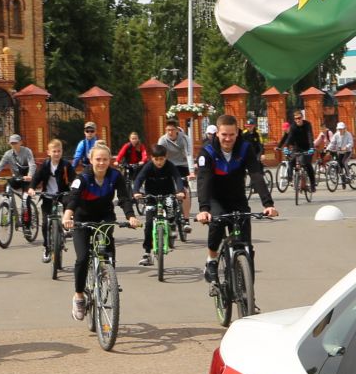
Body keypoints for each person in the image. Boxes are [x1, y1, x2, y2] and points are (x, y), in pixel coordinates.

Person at [60, 142, 139, 320]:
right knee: (82, 257)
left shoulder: (115, 176)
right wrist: (67, 217)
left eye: (105, 159)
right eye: (98, 159)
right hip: (82, 219)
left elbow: (124, 197)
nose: (101, 163)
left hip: (104, 216)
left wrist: (130, 216)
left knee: (107, 246)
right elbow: (73, 198)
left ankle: (109, 273)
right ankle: (79, 296)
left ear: (109, 160)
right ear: (91, 160)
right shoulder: (83, 177)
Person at [195, 114, 277, 286]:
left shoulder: (245, 148)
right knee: (217, 223)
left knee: (246, 244)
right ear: (217, 133)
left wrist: (268, 204)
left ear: (237, 132)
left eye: (232, 134)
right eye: (224, 134)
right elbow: (204, 180)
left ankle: (248, 294)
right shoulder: (208, 151)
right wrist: (204, 209)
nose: (228, 139)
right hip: (215, 197)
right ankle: (211, 259)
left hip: (237, 198)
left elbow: (256, 175)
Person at [131, 144, 188, 265]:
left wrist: (180, 191)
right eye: (156, 159)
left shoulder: (170, 166)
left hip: (168, 194)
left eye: (161, 159)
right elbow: (139, 179)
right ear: (152, 158)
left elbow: (177, 178)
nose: (159, 162)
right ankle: (147, 253)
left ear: (166, 157)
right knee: (149, 224)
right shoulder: (148, 167)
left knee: (171, 209)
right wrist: (136, 192)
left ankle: (172, 225)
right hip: (151, 197)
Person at [32, 138, 75, 261]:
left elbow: (74, 179)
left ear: (62, 152)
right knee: (45, 223)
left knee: (71, 202)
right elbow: (36, 178)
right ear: (48, 152)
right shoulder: (44, 165)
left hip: (63, 193)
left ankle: (67, 226)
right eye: (54, 151)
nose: (57, 154)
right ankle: (46, 247)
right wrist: (31, 188)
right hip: (48, 195)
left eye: (59, 151)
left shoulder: (66, 165)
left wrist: (76, 188)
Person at [283, 110, 316, 192]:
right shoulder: (293, 126)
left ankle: (312, 184)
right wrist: (286, 147)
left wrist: (311, 148)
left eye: (299, 118)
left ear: (302, 118)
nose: (298, 120)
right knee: (291, 160)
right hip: (297, 147)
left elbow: (310, 136)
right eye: (296, 119)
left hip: (307, 148)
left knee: (307, 164)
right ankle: (291, 178)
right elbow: (290, 137)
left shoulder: (307, 125)